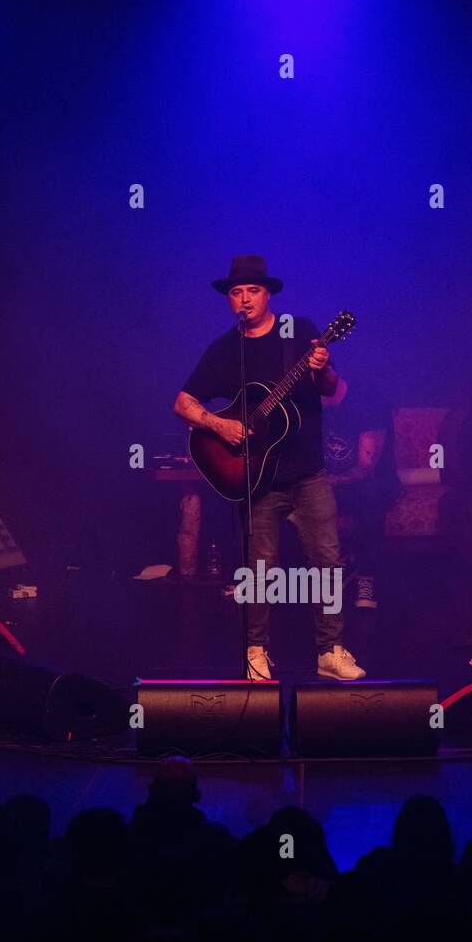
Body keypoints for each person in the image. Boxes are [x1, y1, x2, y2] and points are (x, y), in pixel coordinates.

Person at [173, 255, 365, 681]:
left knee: (328, 562)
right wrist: (219, 424)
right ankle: (255, 652)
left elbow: (332, 391)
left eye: (252, 291)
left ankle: (330, 651)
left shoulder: (300, 331)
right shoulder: (226, 348)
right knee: (261, 570)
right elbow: (182, 403)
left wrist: (323, 368)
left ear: (268, 294)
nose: (243, 299)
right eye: (236, 293)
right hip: (256, 478)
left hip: (308, 472)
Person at [322, 377, 398, 609]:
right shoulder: (313, 405)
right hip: (330, 482)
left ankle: (366, 578)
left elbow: (367, 467)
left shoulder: (366, 404)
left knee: (370, 495)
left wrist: (333, 480)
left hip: (370, 482)